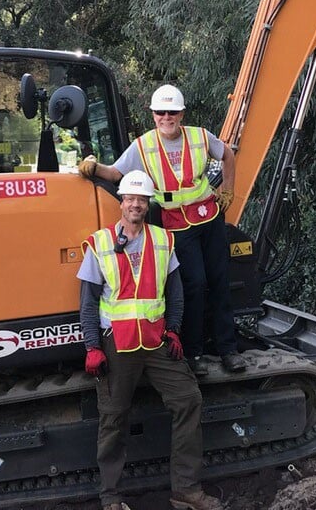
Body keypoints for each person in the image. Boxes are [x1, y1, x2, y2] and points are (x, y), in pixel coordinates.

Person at [79, 170, 225, 510]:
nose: (135, 204)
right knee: (113, 418)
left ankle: (186, 491)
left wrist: (174, 329)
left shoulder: (163, 241)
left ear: (147, 204)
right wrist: (92, 347)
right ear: (121, 202)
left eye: (141, 200)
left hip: (156, 341)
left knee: (188, 400)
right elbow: (87, 303)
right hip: (117, 343)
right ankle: (111, 497)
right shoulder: (100, 244)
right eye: (130, 198)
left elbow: (176, 294)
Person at [79, 85, 247, 376]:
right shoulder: (143, 145)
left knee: (220, 281)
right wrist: (93, 167)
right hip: (176, 225)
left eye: (172, 112)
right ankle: (194, 354)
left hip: (208, 216)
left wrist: (228, 191)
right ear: (153, 115)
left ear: (181, 114)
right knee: (194, 285)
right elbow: (116, 173)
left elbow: (228, 156)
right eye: (161, 112)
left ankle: (228, 350)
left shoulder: (199, 136)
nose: (166, 117)